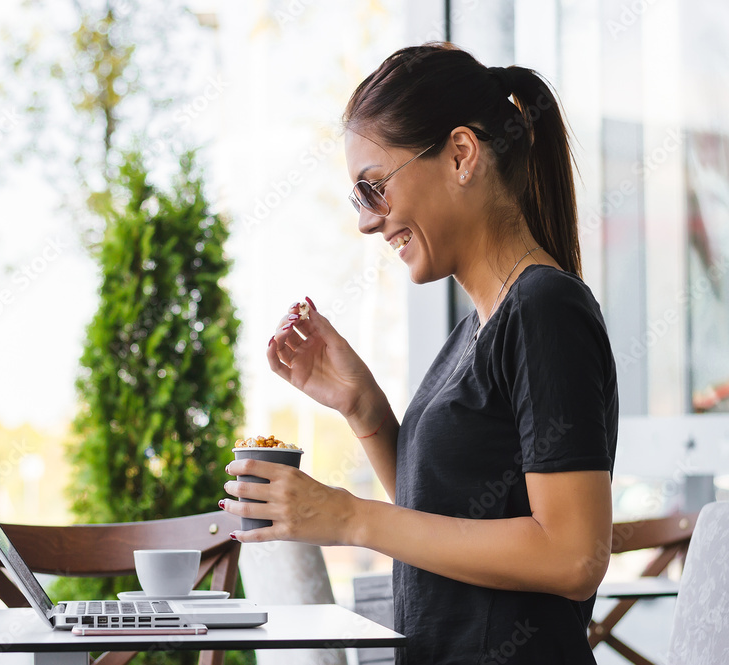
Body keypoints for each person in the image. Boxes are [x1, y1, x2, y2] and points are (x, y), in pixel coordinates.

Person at [221, 42, 618, 664]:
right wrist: (365, 410)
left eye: (372, 188)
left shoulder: (545, 310)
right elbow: (444, 514)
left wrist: (350, 518)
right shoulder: (475, 330)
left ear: (461, 154)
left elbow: (573, 556)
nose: (367, 222)